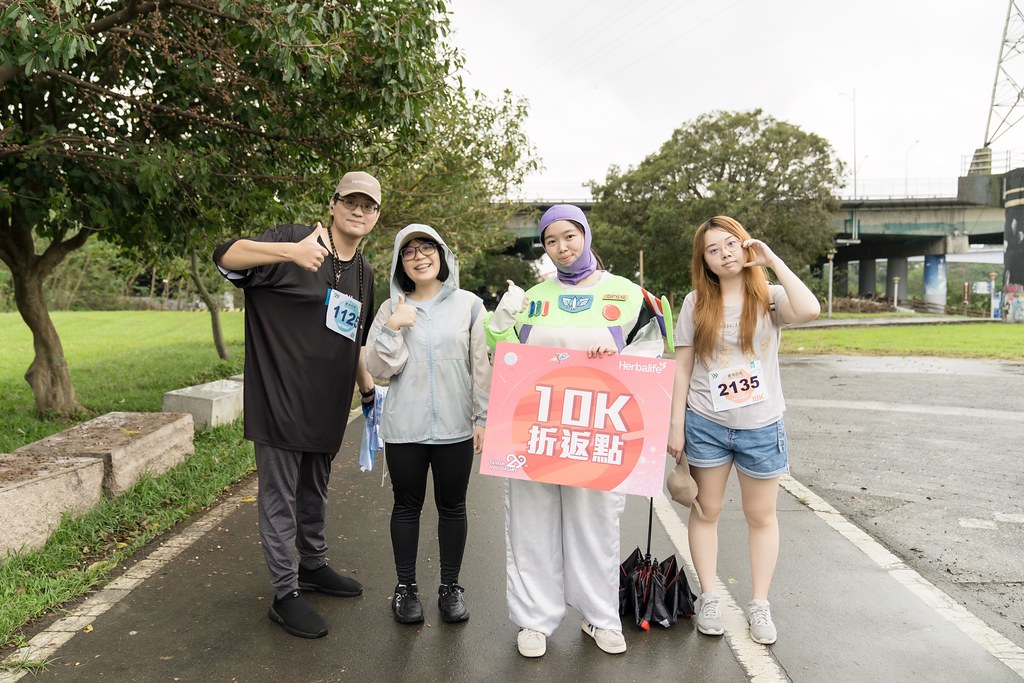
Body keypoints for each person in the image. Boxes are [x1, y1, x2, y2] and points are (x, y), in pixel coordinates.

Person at [486, 204, 669, 658]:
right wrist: (499, 322)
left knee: (595, 524)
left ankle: (599, 616)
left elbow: (652, 351)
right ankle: (534, 620)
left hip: (599, 431)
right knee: (531, 523)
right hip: (536, 428)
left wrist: (618, 360)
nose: (562, 247)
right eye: (551, 240)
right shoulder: (532, 297)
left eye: (569, 236)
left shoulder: (627, 294)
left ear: (586, 235)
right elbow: (503, 357)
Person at [212, 171, 382, 639]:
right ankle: (285, 593)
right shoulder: (292, 239)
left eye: (368, 206)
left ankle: (313, 565)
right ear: (333, 203)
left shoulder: (365, 273)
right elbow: (225, 255)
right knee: (279, 498)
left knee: (314, 491)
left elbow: (353, 337)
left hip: (327, 405)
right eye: (351, 201)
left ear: (376, 217)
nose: (358, 211)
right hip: (280, 397)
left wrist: (366, 389)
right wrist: (290, 252)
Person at [666, 215, 820, 646]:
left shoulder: (770, 297)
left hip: (760, 425)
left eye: (731, 244)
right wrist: (675, 425)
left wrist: (770, 260)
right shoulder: (696, 303)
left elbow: (810, 309)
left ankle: (759, 604)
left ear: (745, 245)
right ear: (705, 262)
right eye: (713, 250)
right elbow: (682, 367)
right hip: (706, 423)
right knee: (705, 511)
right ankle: (710, 596)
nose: (724, 254)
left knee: (760, 516)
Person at [363, 224, 490, 625]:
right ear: (401, 263)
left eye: (427, 248)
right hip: (406, 427)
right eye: (409, 251)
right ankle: (405, 589)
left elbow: (481, 367)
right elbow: (380, 369)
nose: (419, 256)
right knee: (406, 506)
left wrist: (482, 417)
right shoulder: (391, 307)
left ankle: (450, 588)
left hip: (455, 426)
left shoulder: (469, 304)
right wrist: (395, 325)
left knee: (453, 507)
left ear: (442, 254)